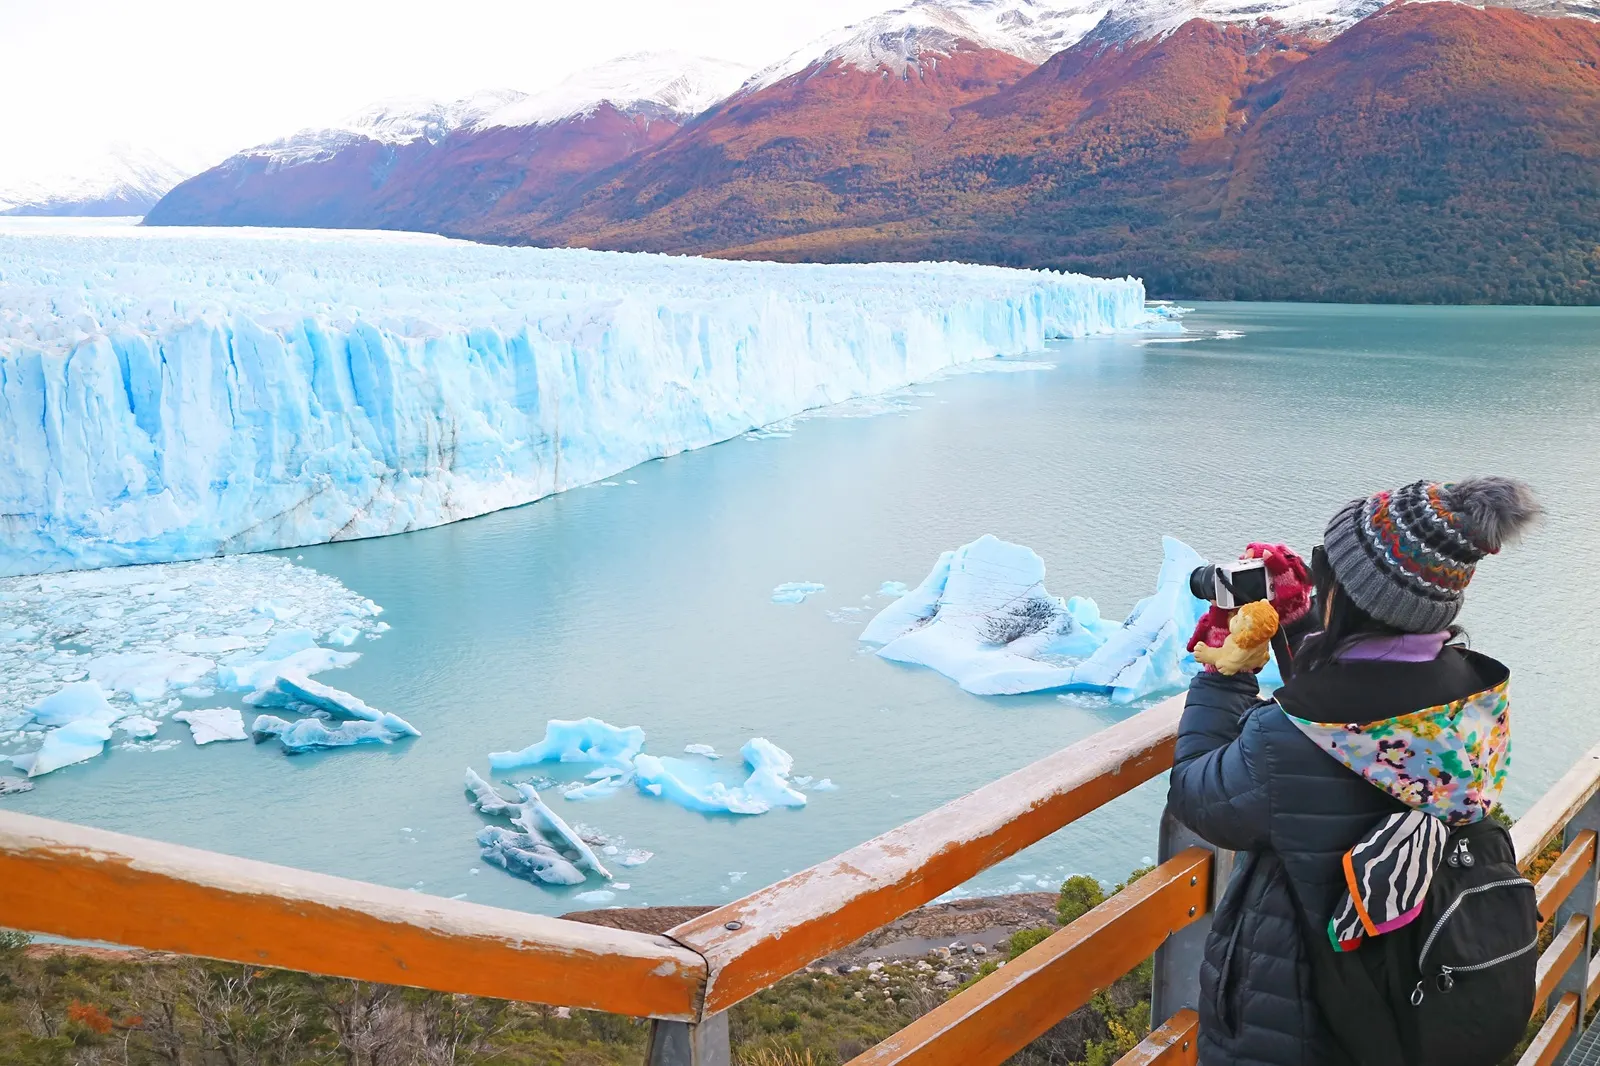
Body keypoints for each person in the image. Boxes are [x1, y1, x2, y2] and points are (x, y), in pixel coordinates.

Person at [1167, 476, 1540, 1066]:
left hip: (1302, 1021)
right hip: (1410, 995)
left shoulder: (1287, 738)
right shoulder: (1470, 696)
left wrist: (1225, 670)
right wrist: (1298, 627)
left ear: (1343, 590)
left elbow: (1195, 792)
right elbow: (1356, 710)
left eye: (1324, 572)